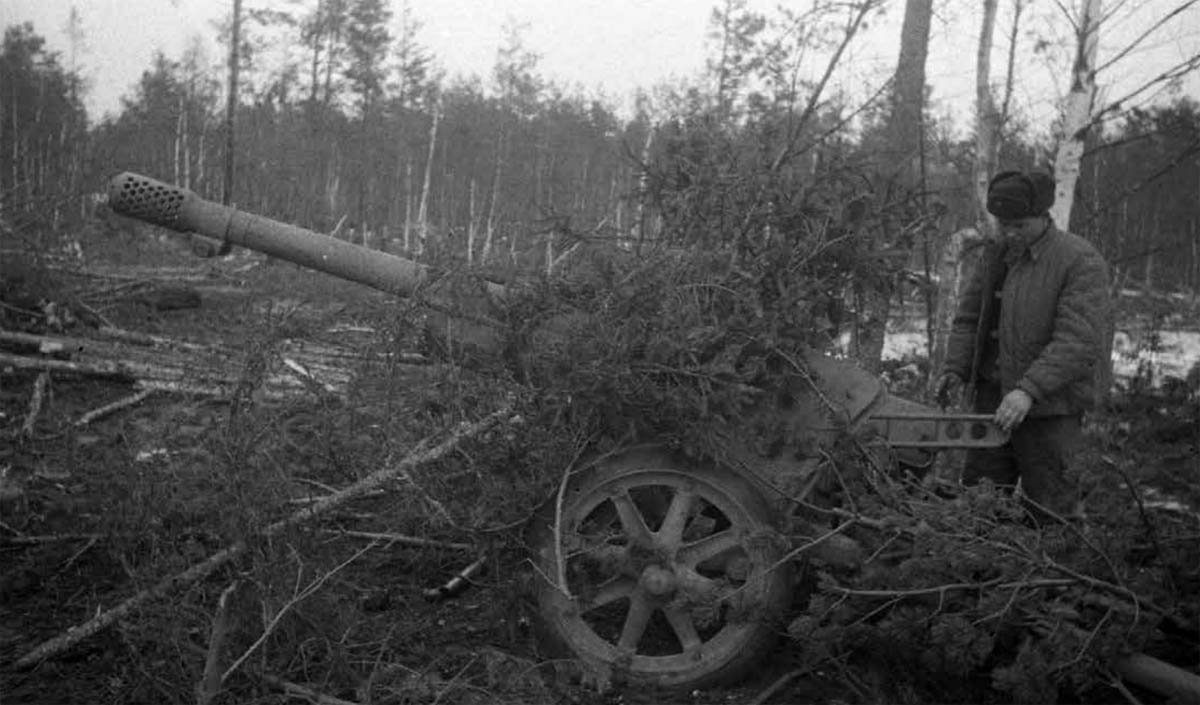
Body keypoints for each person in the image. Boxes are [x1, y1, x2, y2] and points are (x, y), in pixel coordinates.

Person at [934, 169, 1111, 521]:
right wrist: (956, 368)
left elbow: (1077, 341)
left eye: (1020, 225)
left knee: (1053, 513)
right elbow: (970, 319)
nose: (1011, 233)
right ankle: (978, 574)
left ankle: (1052, 577)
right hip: (991, 405)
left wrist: (1028, 390)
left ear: (1043, 217)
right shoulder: (995, 254)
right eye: (1004, 224)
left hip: (1049, 413)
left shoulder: (1079, 260)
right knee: (979, 506)